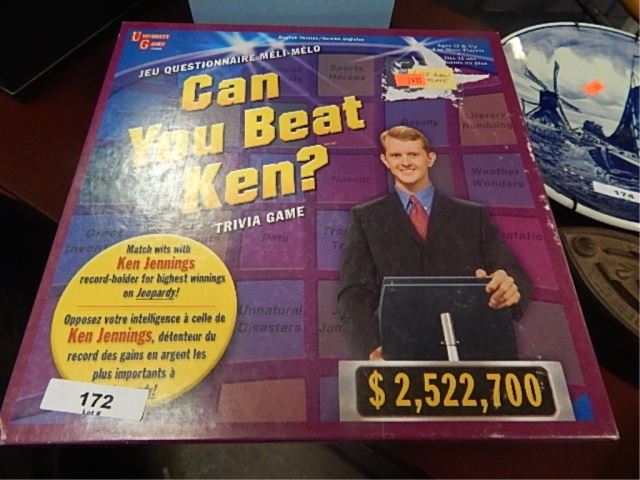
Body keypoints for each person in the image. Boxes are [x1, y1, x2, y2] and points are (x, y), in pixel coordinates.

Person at [337, 125, 532, 360]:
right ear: (385, 161)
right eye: (396, 155)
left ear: (430, 158)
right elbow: (354, 293)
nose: (405, 162)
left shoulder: (473, 215)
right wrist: (371, 349)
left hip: (477, 348)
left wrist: (510, 289)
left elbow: (513, 272)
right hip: (402, 352)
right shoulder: (366, 217)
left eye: (413, 154)